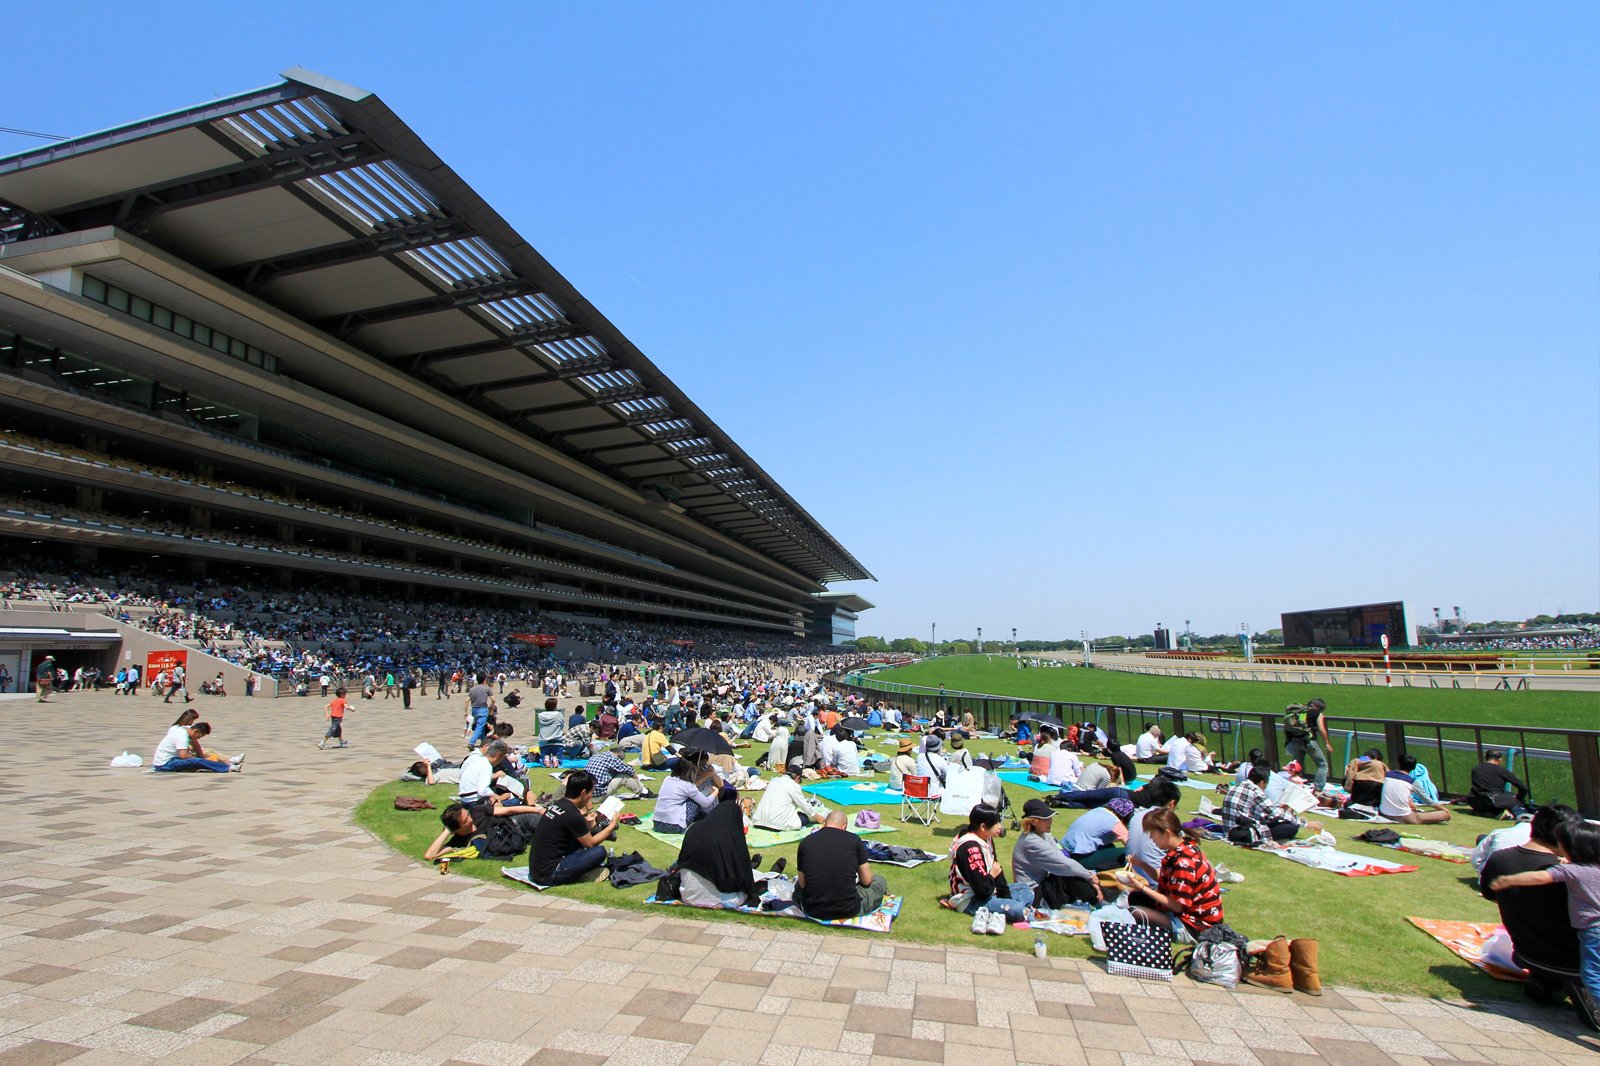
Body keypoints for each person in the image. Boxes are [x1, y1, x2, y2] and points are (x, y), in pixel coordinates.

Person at [1488, 819, 1600, 1029]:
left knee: (1592, 975)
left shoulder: (1572, 871)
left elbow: (1540, 877)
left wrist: (1509, 880)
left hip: (1593, 931)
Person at [1121, 808, 1224, 944]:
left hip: (1195, 926)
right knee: (1136, 897)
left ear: (1167, 833)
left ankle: (1151, 946)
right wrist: (1142, 864)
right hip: (1185, 914)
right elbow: (1165, 879)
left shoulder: (1183, 862)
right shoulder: (1182, 849)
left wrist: (1141, 887)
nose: (1151, 838)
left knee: (1136, 913)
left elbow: (1177, 906)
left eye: (1152, 834)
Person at [948, 804, 1033, 930]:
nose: (1000, 827)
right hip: (971, 899)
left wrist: (1006, 898)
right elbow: (982, 890)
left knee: (1026, 889)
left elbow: (997, 869)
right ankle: (1013, 910)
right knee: (1018, 910)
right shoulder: (970, 848)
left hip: (988, 890)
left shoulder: (986, 839)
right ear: (983, 826)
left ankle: (1006, 908)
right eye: (997, 823)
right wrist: (992, 874)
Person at [528, 770, 621, 885]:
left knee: (578, 844)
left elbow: (580, 833)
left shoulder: (559, 804)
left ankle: (578, 871)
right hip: (549, 874)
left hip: (536, 870)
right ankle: (578, 875)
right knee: (599, 852)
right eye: (591, 792)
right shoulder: (572, 814)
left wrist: (595, 821)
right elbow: (590, 843)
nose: (591, 796)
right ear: (583, 793)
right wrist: (611, 825)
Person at [795, 810, 886, 919]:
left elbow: (803, 884)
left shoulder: (806, 842)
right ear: (844, 827)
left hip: (813, 909)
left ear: (825, 824)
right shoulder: (854, 840)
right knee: (879, 880)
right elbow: (866, 880)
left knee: (797, 887)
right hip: (849, 909)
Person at [1013, 799, 1100, 908]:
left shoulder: (1043, 834)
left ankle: (1097, 898)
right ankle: (1099, 902)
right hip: (1032, 894)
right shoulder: (1031, 842)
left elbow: (1061, 856)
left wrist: (1088, 875)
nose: (1050, 821)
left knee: (1073, 872)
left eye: (1050, 817)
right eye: (1046, 819)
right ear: (1034, 821)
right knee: (1070, 874)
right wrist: (1090, 877)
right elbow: (1065, 864)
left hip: (1043, 884)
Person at [678, 801, 762, 908]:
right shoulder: (731, 835)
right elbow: (743, 876)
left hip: (688, 895)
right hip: (722, 900)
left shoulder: (693, 829)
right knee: (746, 887)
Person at [423, 795, 544, 862]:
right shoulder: (459, 841)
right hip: (517, 837)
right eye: (466, 820)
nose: (470, 820)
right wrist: (447, 831)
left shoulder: (477, 811)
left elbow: (508, 810)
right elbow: (429, 855)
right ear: (457, 829)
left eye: (468, 815)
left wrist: (536, 810)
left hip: (518, 821)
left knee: (552, 826)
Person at [1221, 765, 1303, 845]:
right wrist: (1305, 823)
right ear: (1262, 782)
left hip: (1230, 829)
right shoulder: (1255, 790)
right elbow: (1276, 813)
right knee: (1292, 827)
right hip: (1245, 831)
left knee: (1277, 820)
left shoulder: (1237, 786)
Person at [1125, 779, 1183, 883]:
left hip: (1132, 875)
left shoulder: (1136, 816)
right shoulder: (1166, 822)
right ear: (1172, 803)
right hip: (1154, 881)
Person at [651, 750, 719, 833]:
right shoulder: (688, 786)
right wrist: (715, 792)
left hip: (657, 824)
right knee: (696, 800)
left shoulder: (668, 779)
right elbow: (706, 802)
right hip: (674, 826)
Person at [1060, 797, 1134, 870]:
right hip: (1080, 859)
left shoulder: (1097, 810)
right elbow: (1132, 846)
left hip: (1065, 850)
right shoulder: (1115, 822)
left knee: (1109, 846)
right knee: (1125, 852)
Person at [753, 760, 828, 830]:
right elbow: (805, 806)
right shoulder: (793, 785)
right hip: (778, 824)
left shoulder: (774, 781)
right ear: (798, 778)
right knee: (804, 817)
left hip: (759, 820)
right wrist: (818, 817)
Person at [1379, 754, 1451, 824]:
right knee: (1444, 814)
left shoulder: (1388, 775)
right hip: (1403, 816)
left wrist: (1409, 800)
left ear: (1399, 763)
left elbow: (1395, 790)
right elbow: (1427, 800)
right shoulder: (1412, 782)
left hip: (1384, 812)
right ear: (1414, 768)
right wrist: (1443, 809)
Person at [153, 720, 243, 773]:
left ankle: (224, 764)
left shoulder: (187, 730)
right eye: (199, 736)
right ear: (196, 731)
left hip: (170, 760)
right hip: (165, 764)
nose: (198, 738)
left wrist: (201, 756)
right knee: (196, 761)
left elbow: (195, 744)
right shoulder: (182, 736)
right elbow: (183, 756)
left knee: (199, 759)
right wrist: (199, 759)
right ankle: (228, 768)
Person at [1284, 698, 1330, 790]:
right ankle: (1318, 788)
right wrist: (1327, 743)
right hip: (1309, 742)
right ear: (1316, 707)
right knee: (1322, 765)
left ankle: (1296, 787)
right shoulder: (1316, 713)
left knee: (1297, 765)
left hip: (1295, 741)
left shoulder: (1298, 712)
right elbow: (1321, 729)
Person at [1468, 749, 1531, 816]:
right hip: (1492, 803)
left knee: (1504, 794)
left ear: (1486, 758)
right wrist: (1519, 800)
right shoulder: (1502, 771)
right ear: (1500, 760)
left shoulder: (1476, 769)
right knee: (1512, 796)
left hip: (1474, 801)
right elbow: (1523, 788)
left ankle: (1481, 811)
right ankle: (1505, 813)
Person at [465, 672, 496, 750]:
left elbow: (466, 700)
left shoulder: (472, 689)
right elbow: (493, 699)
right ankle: (471, 743)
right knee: (479, 726)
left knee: (480, 726)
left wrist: (465, 711)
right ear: (485, 680)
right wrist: (492, 706)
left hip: (474, 710)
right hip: (483, 709)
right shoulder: (487, 689)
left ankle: (484, 742)